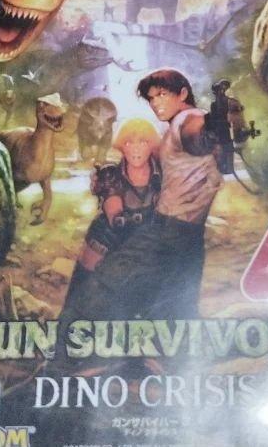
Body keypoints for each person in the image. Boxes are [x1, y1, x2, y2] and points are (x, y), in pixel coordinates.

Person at [131, 68, 224, 318]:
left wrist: (210, 130)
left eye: (162, 94)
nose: (155, 103)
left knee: (171, 303)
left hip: (176, 228)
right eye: (151, 98)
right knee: (174, 302)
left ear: (182, 94)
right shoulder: (177, 124)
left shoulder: (188, 118)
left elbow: (196, 135)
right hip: (176, 226)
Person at [60, 119, 162, 323]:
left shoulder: (162, 176)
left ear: (151, 145)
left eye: (142, 142)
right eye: (129, 142)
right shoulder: (110, 175)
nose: (135, 148)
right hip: (104, 247)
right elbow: (116, 216)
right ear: (122, 146)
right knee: (79, 307)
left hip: (141, 254)